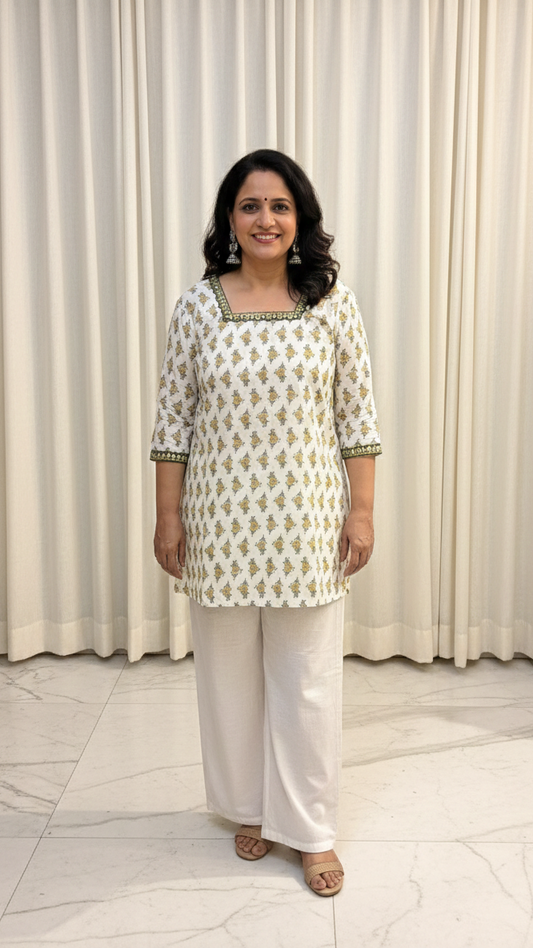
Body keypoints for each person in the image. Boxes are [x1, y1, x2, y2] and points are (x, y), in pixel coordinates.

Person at [151, 149, 381, 896]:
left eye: (279, 206)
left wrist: (362, 510)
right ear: (228, 219)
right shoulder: (197, 306)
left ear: (299, 219)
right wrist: (166, 518)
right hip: (217, 521)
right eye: (249, 206)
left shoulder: (330, 301)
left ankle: (309, 831)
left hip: (307, 521)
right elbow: (172, 423)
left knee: (307, 682)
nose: (264, 220)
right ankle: (249, 808)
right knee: (228, 680)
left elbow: (357, 416)